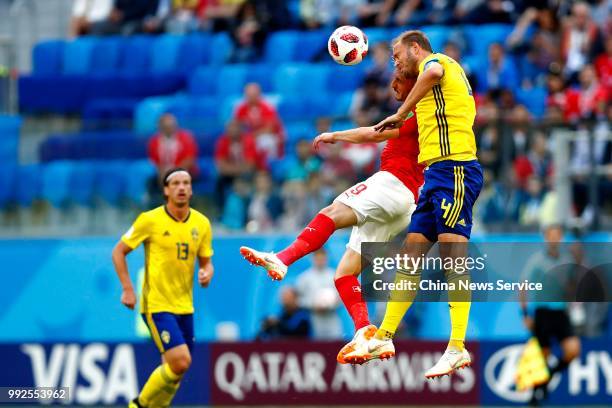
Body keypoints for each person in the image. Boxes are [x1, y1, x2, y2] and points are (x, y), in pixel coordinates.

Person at [239, 72, 425, 363]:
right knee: (345, 274)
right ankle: (367, 334)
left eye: (399, 80)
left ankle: (283, 258)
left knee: (331, 212)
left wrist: (335, 135)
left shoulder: (416, 112)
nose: (393, 84)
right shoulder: (431, 119)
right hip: (405, 203)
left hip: (392, 184)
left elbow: (373, 134)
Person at [360, 30, 483, 378]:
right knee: (410, 255)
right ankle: (384, 336)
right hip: (436, 175)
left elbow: (430, 73)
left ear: (416, 47)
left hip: (457, 168)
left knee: (452, 257)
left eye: (398, 54)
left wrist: (400, 111)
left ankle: (457, 347)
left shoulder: (438, 62)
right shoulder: (430, 93)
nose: (395, 61)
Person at [111, 168, 214, 408]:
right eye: (175, 183)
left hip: (185, 306)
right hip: (157, 304)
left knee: (175, 368)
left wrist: (207, 273)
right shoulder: (150, 220)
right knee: (180, 362)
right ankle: (138, 405)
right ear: (166, 190)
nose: (181, 187)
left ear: (191, 188)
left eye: (186, 183)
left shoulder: (202, 223)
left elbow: (207, 262)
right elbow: (119, 252)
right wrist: (127, 288)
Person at [519, 225, 581, 405]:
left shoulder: (567, 259)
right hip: (542, 313)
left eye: (557, 235)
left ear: (561, 237)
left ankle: (547, 378)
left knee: (573, 350)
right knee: (542, 357)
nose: (554, 238)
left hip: (560, 312)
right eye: (551, 235)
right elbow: (523, 287)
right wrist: (525, 314)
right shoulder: (536, 261)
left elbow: (571, 287)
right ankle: (534, 395)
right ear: (545, 237)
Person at [295, 248, 343, 339]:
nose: (320, 261)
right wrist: (313, 305)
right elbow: (298, 300)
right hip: (314, 318)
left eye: (322, 259)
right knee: (317, 344)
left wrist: (332, 304)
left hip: (332, 317)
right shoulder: (304, 278)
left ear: (326, 259)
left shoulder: (334, 275)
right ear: (313, 259)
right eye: (318, 259)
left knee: (335, 344)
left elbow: (341, 297)